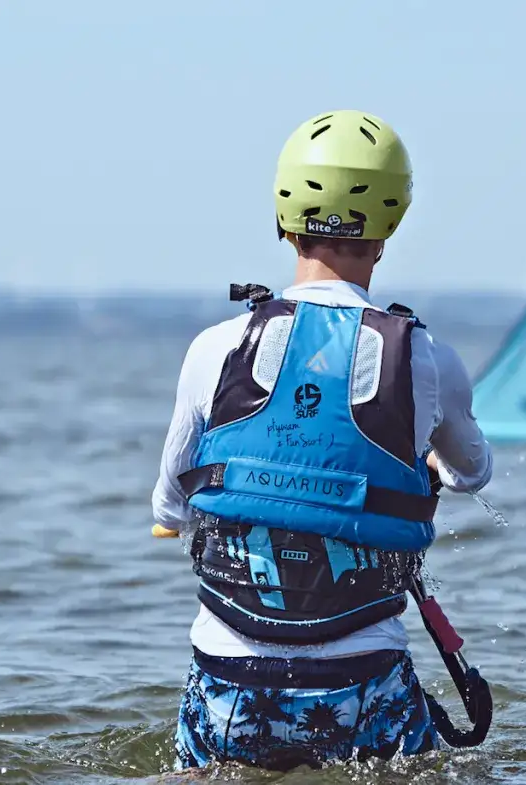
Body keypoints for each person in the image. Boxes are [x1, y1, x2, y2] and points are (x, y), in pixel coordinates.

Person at [151, 109, 494, 772]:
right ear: (390, 228)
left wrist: (174, 519)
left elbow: (171, 501)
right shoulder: (426, 359)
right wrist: (430, 464)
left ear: (283, 219)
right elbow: (473, 472)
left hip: (228, 687)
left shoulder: (214, 350)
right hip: (362, 685)